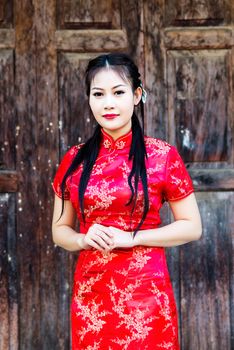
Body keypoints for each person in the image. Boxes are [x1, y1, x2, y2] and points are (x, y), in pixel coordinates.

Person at [51, 52, 202, 350]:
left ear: (136, 96)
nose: (108, 103)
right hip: (92, 295)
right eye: (98, 94)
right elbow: (60, 232)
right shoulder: (74, 160)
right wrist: (83, 239)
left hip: (146, 292)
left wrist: (131, 238)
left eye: (118, 92)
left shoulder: (162, 156)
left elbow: (192, 227)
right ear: (89, 99)